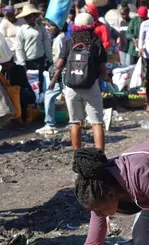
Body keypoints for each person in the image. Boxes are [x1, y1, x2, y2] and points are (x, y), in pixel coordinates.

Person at [49, 13, 107, 151]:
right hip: (90, 86)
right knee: (97, 123)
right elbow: (103, 67)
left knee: (76, 123)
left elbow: (58, 65)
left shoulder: (69, 42)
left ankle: (77, 156)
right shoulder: (96, 42)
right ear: (91, 27)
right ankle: (99, 156)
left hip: (71, 87)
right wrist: (106, 78)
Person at [37, 21, 67, 135]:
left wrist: (54, 79)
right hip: (62, 74)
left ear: (58, 27)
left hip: (62, 74)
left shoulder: (60, 39)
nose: (47, 28)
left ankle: (50, 124)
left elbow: (61, 62)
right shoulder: (60, 37)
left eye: (50, 26)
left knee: (49, 95)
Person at [16, 3, 53, 92]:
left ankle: (40, 99)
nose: (27, 18)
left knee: (40, 81)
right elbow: (19, 47)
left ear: (34, 16)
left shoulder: (40, 27)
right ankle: (33, 102)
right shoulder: (21, 30)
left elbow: (46, 43)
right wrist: (22, 63)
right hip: (28, 62)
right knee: (31, 83)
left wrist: (50, 59)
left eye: (29, 16)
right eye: (25, 17)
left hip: (40, 60)